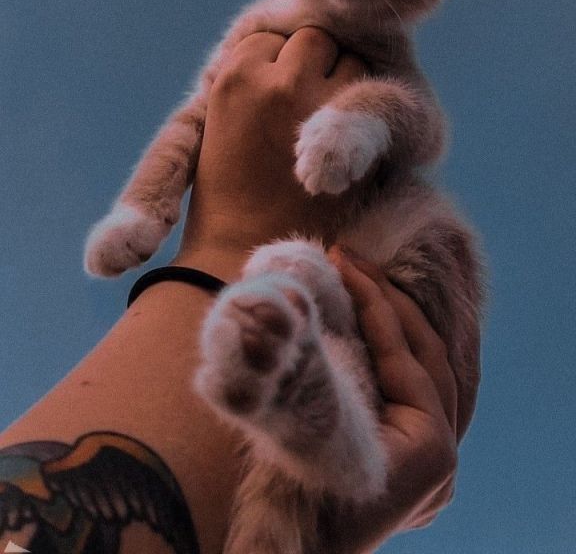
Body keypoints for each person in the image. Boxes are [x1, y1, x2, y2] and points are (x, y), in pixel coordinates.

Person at [0, 28, 479, 554]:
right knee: (323, 369)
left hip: (354, 286)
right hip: (335, 315)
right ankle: (331, 435)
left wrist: (223, 246)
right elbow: (195, 119)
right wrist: (160, 211)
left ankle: (326, 419)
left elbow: (421, 130)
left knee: (345, 328)